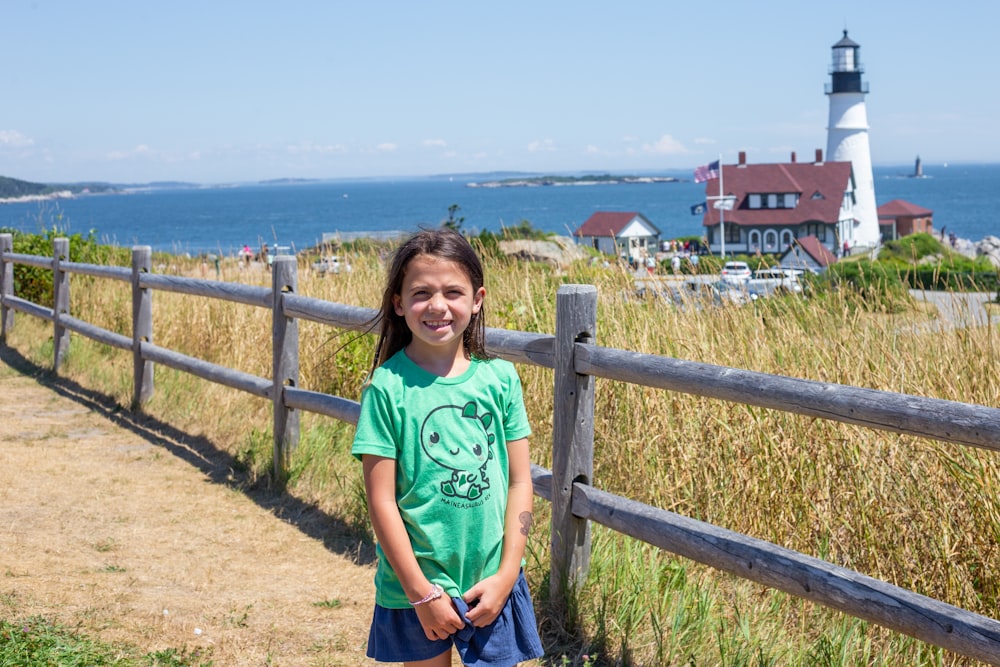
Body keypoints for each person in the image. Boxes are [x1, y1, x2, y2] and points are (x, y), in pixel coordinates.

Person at [351, 228, 544, 667]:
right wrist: (422, 594)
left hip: (492, 582)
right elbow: (381, 502)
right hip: (414, 589)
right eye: (421, 293)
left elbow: (519, 482)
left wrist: (507, 574)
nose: (438, 306)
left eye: (452, 292)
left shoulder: (500, 379)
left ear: (477, 299)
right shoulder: (387, 388)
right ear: (398, 303)